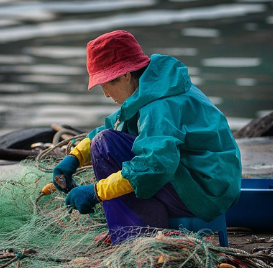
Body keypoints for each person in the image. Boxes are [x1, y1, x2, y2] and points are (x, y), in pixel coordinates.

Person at [52, 30, 241, 244]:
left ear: (125, 75)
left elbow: (154, 167)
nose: (105, 93)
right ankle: (143, 229)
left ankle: (136, 240)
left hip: (204, 193)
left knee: (106, 146)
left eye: (106, 84)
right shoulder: (157, 87)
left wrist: (96, 192)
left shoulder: (160, 105)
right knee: (106, 140)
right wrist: (74, 158)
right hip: (211, 183)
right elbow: (115, 125)